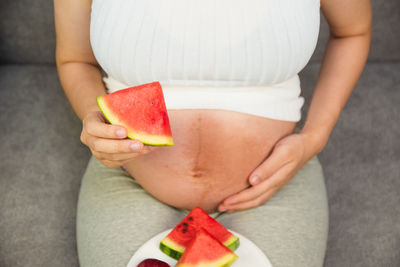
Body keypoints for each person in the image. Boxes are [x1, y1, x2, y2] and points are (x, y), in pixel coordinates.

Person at [54, 0, 371, 266]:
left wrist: (314, 138)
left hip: (276, 184)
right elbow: (75, 59)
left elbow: (353, 32)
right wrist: (93, 119)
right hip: (126, 177)